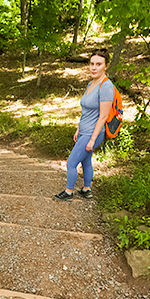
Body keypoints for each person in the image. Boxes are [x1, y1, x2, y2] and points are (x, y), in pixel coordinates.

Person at [54, 48, 114, 201]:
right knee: (86, 161)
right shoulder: (91, 83)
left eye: (99, 64)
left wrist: (92, 140)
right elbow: (86, 111)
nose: (94, 67)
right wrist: (78, 129)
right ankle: (86, 189)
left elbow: (103, 116)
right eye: (92, 63)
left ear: (106, 66)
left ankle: (68, 192)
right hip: (84, 131)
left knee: (71, 163)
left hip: (93, 133)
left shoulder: (106, 86)